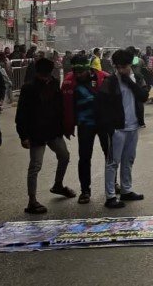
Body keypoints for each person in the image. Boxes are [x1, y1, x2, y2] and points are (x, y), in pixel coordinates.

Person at [16, 58, 76, 214]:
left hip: (53, 131)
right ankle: (32, 201)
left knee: (64, 156)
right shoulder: (29, 88)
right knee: (35, 166)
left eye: (47, 74)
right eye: (44, 75)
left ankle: (58, 185)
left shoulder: (55, 84)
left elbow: (60, 107)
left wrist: (65, 127)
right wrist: (23, 136)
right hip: (36, 133)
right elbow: (21, 114)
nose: (46, 77)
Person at [95, 49, 149, 209]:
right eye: (117, 67)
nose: (120, 70)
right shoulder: (110, 82)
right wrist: (107, 126)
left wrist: (130, 82)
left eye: (123, 67)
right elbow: (100, 105)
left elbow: (144, 96)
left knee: (129, 159)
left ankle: (126, 190)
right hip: (117, 128)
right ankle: (110, 196)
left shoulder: (137, 78)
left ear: (129, 65)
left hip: (133, 126)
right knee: (112, 162)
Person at [61, 55, 109, 204]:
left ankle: (112, 185)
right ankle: (85, 191)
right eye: (75, 71)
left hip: (103, 124)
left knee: (110, 156)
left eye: (81, 71)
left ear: (88, 68)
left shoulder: (104, 78)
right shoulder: (69, 82)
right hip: (84, 125)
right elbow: (63, 104)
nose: (78, 74)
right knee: (84, 158)